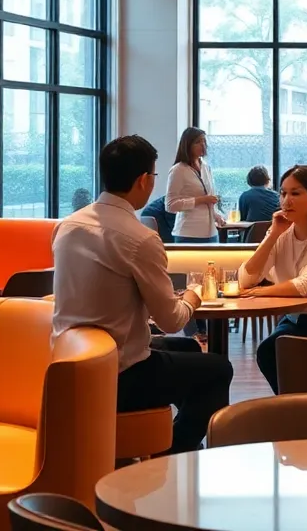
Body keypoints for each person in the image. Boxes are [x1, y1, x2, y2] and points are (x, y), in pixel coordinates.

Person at [52, 135, 233, 454]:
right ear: (142, 180)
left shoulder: (68, 226)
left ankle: (162, 434)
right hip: (119, 372)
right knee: (219, 369)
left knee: (189, 348)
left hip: (69, 360)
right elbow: (171, 319)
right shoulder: (140, 238)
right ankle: (174, 450)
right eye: (153, 176)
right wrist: (192, 295)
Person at [239, 165, 307, 392]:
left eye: (295, 193)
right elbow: (246, 278)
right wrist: (272, 235)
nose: (286, 200)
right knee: (270, 353)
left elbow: (306, 286)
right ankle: (294, 407)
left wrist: (260, 292)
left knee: (271, 352)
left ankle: (296, 407)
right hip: (293, 319)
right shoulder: (282, 234)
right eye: (283, 193)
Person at [165, 127, 225, 243]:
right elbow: (170, 205)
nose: (203, 145)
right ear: (188, 145)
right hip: (189, 233)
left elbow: (209, 200)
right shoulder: (178, 170)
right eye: (198, 142)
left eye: (204, 141)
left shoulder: (206, 167)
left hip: (211, 232)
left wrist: (216, 216)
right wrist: (201, 200)